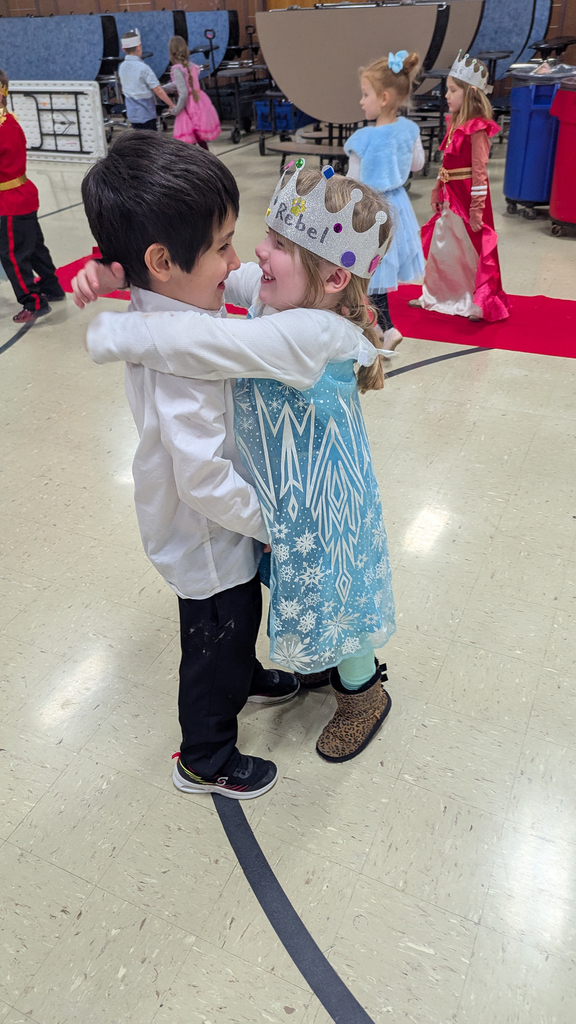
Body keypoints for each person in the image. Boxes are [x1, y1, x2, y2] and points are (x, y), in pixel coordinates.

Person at [75, 160, 396, 764]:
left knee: (336, 594)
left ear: (331, 278)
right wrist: (123, 272)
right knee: (303, 588)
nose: (255, 253)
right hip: (288, 489)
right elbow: (200, 276)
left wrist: (115, 332)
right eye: (266, 235)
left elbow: (205, 340)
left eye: (279, 245)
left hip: (323, 497)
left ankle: (361, 692)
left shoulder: (310, 331)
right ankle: (322, 662)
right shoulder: (289, 292)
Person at [79, 133, 299, 800]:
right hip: (204, 531)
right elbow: (200, 477)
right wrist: (269, 522)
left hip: (217, 521)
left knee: (238, 620)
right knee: (214, 638)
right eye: (223, 246)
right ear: (161, 261)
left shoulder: (173, 303)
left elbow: (220, 284)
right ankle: (205, 757)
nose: (236, 260)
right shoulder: (180, 358)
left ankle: (244, 675)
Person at [409, 51, 509, 321]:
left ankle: (476, 302)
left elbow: (479, 172)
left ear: (470, 94)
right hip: (450, 195)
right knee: (444, 246)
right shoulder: (454, 124)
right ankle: (436, 295)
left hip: (467, 198)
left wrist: (476, 208)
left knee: (470, 249)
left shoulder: (477, 129)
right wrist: (436, 190)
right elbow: (446, 163)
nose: (446, 95)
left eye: (453, 90)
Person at [344, 51, 425, 352]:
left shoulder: (363, 139)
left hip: (371, 208)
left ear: (384, 98)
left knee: (368, 270)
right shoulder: (409, 130)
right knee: (376, 271)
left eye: (366, 95)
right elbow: (417, 164)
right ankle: (379, 326)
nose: (361, 101)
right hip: (399, 205)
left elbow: (353, 180)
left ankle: (386, 328)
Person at [0, 68, 65, 324]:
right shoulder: (8, 121)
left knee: (12, 255)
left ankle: (33, 301)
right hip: (22, 195)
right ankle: (52, 287)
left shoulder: (2, 127)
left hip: (9, 202)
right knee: (35, 247)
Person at [165, 35, 220, 150]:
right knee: (199, 137)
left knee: (189, 141)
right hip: (199, 102)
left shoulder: (177, 69)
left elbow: (183, 92)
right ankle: (206, 157)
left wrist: (176, 110)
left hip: (187, 106)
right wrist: (162, 88)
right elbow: (181, 84)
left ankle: (198, 159)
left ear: (171, 53)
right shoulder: (193, 66)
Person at [118, 29, 174, 131]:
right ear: (139, 47)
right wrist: (171, 104)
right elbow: (157, 90)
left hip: (132, 114)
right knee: (150, 139)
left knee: (139, 138)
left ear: (123, 49)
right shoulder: (143, 68)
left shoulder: (122, 67)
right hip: (146, 113)